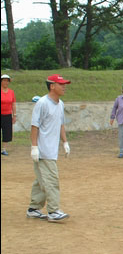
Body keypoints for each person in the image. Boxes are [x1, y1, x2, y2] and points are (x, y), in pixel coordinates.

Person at [27, 74, 71, 222]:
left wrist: (65, 142)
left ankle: (34, 209)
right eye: (61, 84)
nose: (64, 87)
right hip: (43, 150)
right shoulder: (42, 103)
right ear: (52, 86)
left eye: (64, 84)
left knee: (41, 180)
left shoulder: (60, 104)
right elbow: (35, 126)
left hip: (52, 149)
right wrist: (34, 147)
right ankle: (53, 211)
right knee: (51, 180)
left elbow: (60, 124)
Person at [1, 74, 16, 156]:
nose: (6, 82)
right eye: (4, 80)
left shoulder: (11, 92)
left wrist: (15, 115)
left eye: (7, 81)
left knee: (7, 132)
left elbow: (13, 104)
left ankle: (3, 149)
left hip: (7, 115)